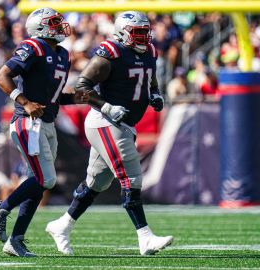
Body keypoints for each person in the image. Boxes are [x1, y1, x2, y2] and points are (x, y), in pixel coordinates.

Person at [45, 11, 173, 256]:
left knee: (97, 182)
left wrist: (155, 95)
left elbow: (150, 80)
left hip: (124, 124)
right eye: (138, 33)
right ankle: (145, 237)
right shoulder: (111, 53)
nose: (144, 38)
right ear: (122, 32)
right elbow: (82, 86)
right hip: (105, 122)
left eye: (146, 33)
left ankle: (62, 225)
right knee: (131, 176)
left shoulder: (150, 52)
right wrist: (106, 106)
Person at [0, 7, 88, 257]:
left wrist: (78, 97)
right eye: (53, 22)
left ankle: (15, 240)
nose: (60, 26)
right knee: (46, 180)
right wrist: (24, 102)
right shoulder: (32, 46)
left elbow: (53, 98)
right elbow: (2, 77)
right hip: (27, 122)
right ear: (40, 26)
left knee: (39, 182)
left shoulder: (63, 53)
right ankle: (2, 207)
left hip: (48, 122)